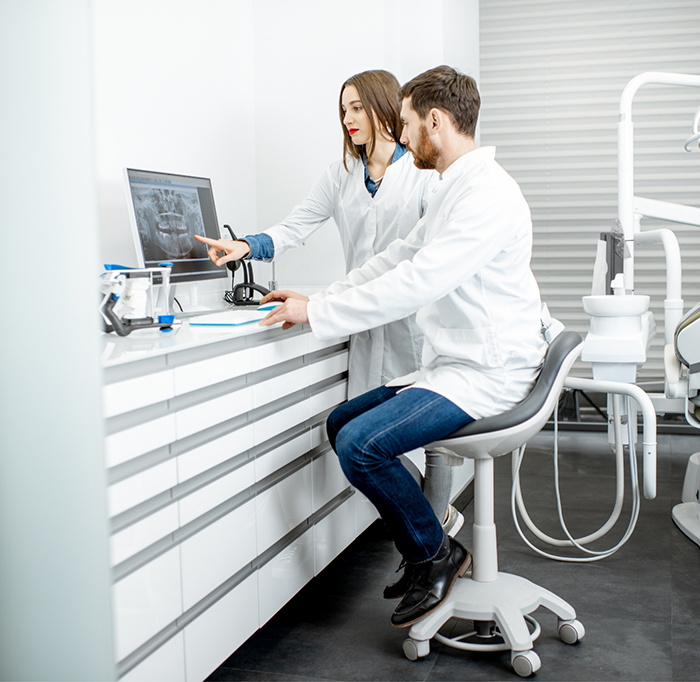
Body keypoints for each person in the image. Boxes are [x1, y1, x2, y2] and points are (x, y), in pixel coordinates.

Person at [256, 65, 547, 628]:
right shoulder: (449, 188)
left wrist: (317, 313)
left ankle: (433, 554)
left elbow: (418, 282)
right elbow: (395, 261)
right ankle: (430, 544)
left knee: (362, 446)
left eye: (408, 123)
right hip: (455, 364)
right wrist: (321, 296)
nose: (403, 135)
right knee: (342, 423)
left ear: (434, 121)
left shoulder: (485, 194)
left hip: (489, 371)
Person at [195, 70, 464, 567]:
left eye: (358, 107)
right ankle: (433, 532)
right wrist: (245, 246)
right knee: (367, 438)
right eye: (344, 110)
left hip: (415, 320)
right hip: (360, 318)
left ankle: (435, 534)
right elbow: (298, 224)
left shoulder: (424, 175)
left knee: (428, 442)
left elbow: (417, 261)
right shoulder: (342, 172)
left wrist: (322, 304)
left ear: (387, 109)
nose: (349, 119)